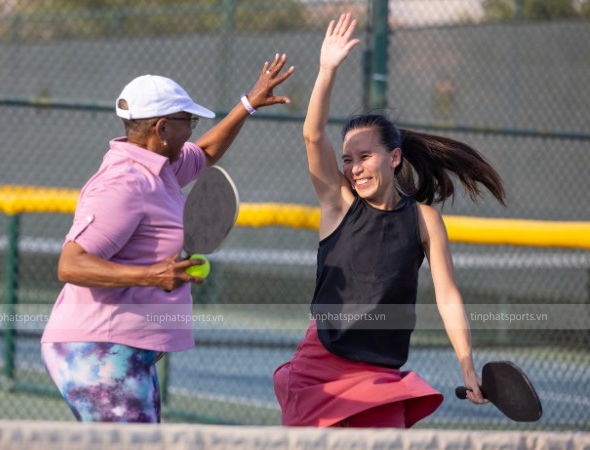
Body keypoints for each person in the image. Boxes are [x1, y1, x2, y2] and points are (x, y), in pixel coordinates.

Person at [273, 13, 505, 428]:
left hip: (380, 375)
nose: (354, 168)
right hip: (321, 368)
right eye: (347, 160)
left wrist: (468, 366)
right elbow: (312, 135)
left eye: (364, 157)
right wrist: (327, 70)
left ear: (394, 158)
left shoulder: (424, 220)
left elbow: (448, 296)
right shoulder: (337, 203)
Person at [42, 56, 294, 423]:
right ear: (161, 128)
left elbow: (206, 153)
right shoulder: (124, 183)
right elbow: (71, 263)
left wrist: (249, 103)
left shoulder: (162, 168)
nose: (191, 130)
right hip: (97, 348)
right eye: (187, 122)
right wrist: (150, 275)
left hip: (124, 349)